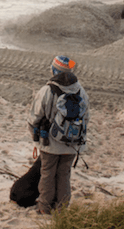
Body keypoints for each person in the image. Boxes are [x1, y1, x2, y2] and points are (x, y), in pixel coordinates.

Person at [28, 55, 89, 215]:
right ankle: (62, 209)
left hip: (50, 142)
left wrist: (35, 137)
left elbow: (35, 117)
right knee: (64, 174)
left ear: (54, 71)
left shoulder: (47, 90)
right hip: (72, 143)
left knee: (47, 174)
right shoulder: (81, 91)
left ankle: (44, 208)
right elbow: (86, 117)